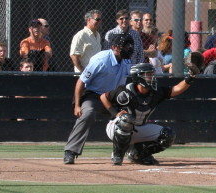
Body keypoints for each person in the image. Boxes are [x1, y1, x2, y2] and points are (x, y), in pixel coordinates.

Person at [101, 63, 195, 165]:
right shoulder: (125, 91)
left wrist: (191, 77)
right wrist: (115, 113)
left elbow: (175, 89)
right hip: (116, 127)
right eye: (147, 75)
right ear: (138, 76)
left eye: (151, 74)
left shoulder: (155, 92)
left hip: (138, 127)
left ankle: (137, 154)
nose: (151, 77)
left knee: (168, 135)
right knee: (126, 119)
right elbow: (103, 97)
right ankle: (117, 155)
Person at [63, 32, 135, 164]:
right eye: (124, 46)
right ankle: (70, 151)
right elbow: (81, 82)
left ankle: (130, 151)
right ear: (114, 47)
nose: (128, 48)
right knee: (88, 113)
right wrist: (78, 105)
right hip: (93, 96)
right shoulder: (101, 60)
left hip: (113, 97)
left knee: (130, 116)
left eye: (129, 45)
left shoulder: (127, 61)